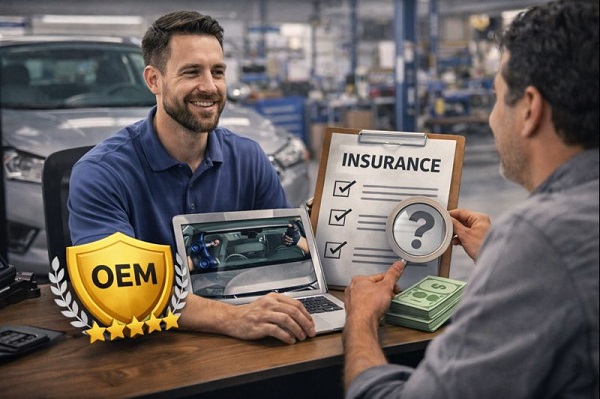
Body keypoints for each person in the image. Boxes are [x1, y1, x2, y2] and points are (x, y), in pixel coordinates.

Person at [343, 1, 599, 397]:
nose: (492, 118)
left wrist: (360, 319)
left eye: (497, 97)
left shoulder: (542, 236)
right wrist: (505, 256)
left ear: (530, 108)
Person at [68, 11, 315, 345]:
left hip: (245, 338)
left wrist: (319, 236)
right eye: (191, 72)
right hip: (151, 349)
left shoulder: (249, 157)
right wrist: (235, 318)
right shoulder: (101, 173)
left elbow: (284, 248)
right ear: (154, 80)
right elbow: (120, 293)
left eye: (218, 71)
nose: (210, 87)